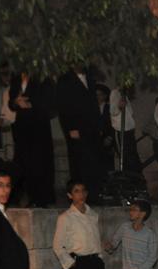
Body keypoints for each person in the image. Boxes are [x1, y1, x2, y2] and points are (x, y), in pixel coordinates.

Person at [8, 73, 55, 207]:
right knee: (23, 161)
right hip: (22, 126)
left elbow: (49, 102)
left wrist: (29, 103)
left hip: (39, 126)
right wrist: (16, 102)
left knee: (39, 162)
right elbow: (11, 103)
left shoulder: (43, 78)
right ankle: (25, 196)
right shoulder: (16, 78)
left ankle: (41, 198)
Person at [56, 67, 103, 196]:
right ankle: (79, 195)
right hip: (76, 128)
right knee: (80, 161)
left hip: (91, 128)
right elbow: (63, 106)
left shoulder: (89, 78)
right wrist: (70, 127)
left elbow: (94, 104)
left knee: (94, 160)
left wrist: (99, 126)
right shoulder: (65, 80)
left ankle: (94, 193)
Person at [109, 86, 142, 173]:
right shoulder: (115, 93)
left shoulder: (124, 95)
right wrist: (119, 106)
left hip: (129, 132)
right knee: (126, 159)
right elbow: (113, 110)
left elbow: (130, 112)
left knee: (134, 160)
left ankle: (136, 181)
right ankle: (126, 182)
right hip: (120, 131)